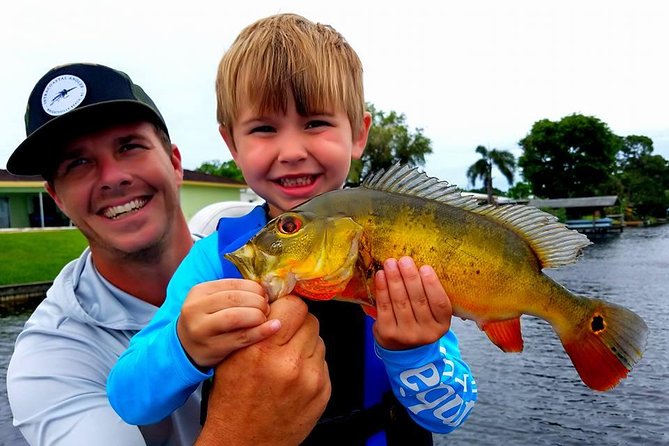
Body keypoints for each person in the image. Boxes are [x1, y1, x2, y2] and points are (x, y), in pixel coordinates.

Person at [108, 13, 477, 445]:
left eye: (316, 123)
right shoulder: (217, 260)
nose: (292, 151)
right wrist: (184, 345)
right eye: (264, 129)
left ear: (358, 134)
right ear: (232, 144)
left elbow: (450, 414)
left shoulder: (399, 248)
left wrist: (414, 351)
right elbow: (128, 399)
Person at [5, 62, 330, 446]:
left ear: (175, 162)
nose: (112, 177)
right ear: (56, 198)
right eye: (78, 163)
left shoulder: (236, 237)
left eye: (129, 146)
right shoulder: (49, 363)